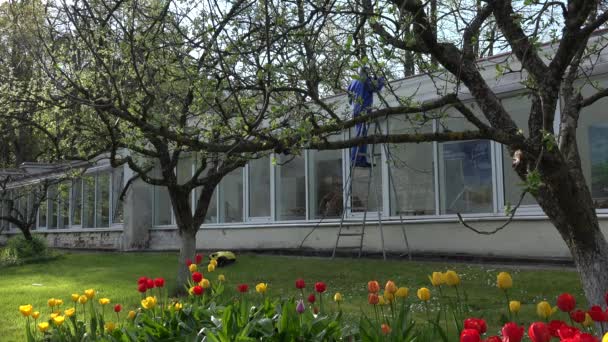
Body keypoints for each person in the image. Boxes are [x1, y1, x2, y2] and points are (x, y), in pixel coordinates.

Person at [347, 67, 385, 167]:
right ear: (366, 72)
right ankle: (356, 159)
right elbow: (375, 87)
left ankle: (360, 159)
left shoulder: (353, 81)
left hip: (355, 111)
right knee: (361, 135)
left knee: (361, 134)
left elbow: (349, 97)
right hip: (364, 111)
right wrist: (381, 79)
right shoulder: (365, 80)